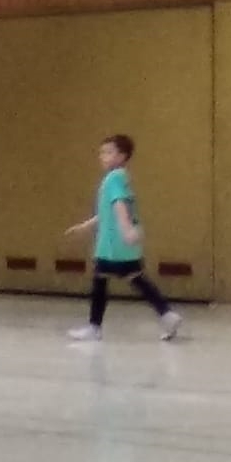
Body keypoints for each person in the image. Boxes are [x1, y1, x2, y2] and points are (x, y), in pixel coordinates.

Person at [65, 134, 183, 342]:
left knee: (100, 281)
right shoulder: (122, 177)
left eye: (108, 152)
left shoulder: (113, 179)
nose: (102, 156)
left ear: (122, 156)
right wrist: (85, 226)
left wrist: (126, 230)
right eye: (102, 152)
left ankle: (94, 327)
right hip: (125, 246)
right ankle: (167, 314)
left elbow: (119, 204)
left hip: (113, 244)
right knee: (138, 279)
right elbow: (106, 212)